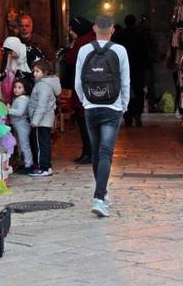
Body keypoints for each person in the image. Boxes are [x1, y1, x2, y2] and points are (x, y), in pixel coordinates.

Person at [75, 15, 130, 217]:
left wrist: (85, 101)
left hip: (91, 107)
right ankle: (99, 197)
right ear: (113, 29)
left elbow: (78, 82)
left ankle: (102, 194)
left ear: (94, 28)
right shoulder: (119, 50)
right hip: (112, 107)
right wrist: (123, 106)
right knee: (106, 152)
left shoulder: (84, 50)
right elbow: (125, 80)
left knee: (97, 151)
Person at [62, 17, 94, 164]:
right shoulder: (92, 39)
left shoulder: (82, 42)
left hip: (84, 88)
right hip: (93, 88)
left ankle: (89, 153)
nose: (70, 32)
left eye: (72, 29)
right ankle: (91, 152)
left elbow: (71, 60)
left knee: (84, 121)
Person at [28, 59, 62, 177]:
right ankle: (46, 167)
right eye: (34, 71)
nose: (34, 73)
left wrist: (35, 121)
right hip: (44, 120)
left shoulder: (43, 86)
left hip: (41, 121)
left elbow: (41, 105)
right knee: (44, 143)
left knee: (40, 144)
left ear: (45, 72)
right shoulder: (45, 84)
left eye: (37, 71)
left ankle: (43, 167)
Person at [117, 14, 149, 127]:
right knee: (139, 91)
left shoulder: (120, 35)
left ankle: (127, 115)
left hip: (124, 68)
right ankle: (137, 114)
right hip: (137, 68)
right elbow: (145, 51)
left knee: (125, 91)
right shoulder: (139, 35)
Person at [8, 78, 34, 174]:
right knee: (20, 145)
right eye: (15, 87)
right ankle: (25, 163)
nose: (16, 89)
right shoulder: (18, 98)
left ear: (25, 89)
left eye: (19, 87)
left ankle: (29, 165)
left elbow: (19, 112)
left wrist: (8, 110)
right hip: (18, 125)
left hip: (22, 125)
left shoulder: (23, 99)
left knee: (24, 145)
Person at [138, 14, 158, 112]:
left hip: (138, 62)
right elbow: (154, 45)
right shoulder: (149, 32)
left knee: (138, 85)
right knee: (150, 84)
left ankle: (139, 107)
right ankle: (151, 105)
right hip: (148, 61)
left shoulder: (137, 32)